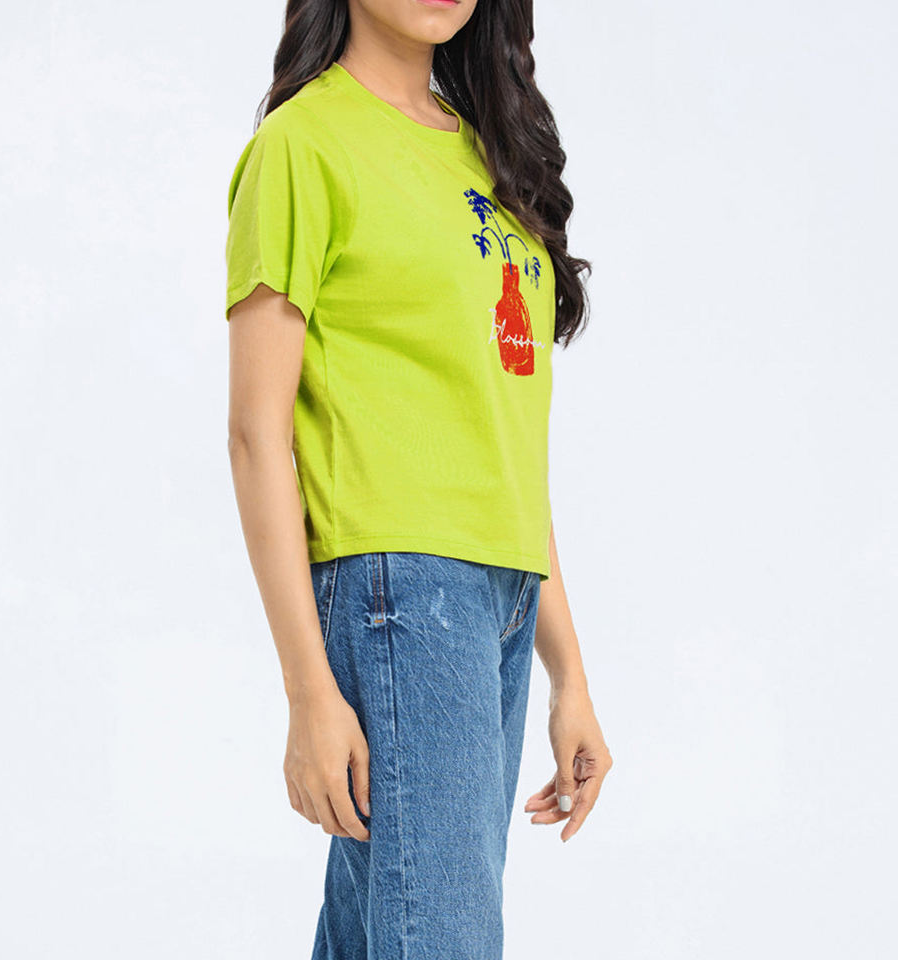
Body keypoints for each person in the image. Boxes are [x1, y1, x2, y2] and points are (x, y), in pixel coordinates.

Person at [224, 1, 612, 956]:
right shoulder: (305, 144)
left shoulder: (490, 156)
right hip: (400, 592)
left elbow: (503, 441)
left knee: (383, 933)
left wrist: (568, 672)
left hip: (499, 597)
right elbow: (256, 434)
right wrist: (308, 689)